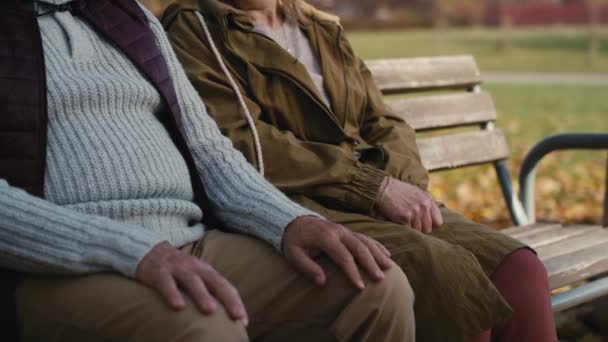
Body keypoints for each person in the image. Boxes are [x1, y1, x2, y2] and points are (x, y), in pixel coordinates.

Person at [0, 0, 417, 341]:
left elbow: (209, 151)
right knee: (206, 327)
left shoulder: (130, 17)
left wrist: (291, 221)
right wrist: (129, 249)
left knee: (374, 286)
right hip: (63, 266)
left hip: (189, 244)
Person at [162, 0, 558, 341]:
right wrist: (372, 187)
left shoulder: (318, 27)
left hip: (374, 194)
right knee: (448, 281)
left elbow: (383, 120)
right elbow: (247, 144)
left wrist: (403, 186)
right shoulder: (195, 29)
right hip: (300, 206)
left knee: (519, 269)